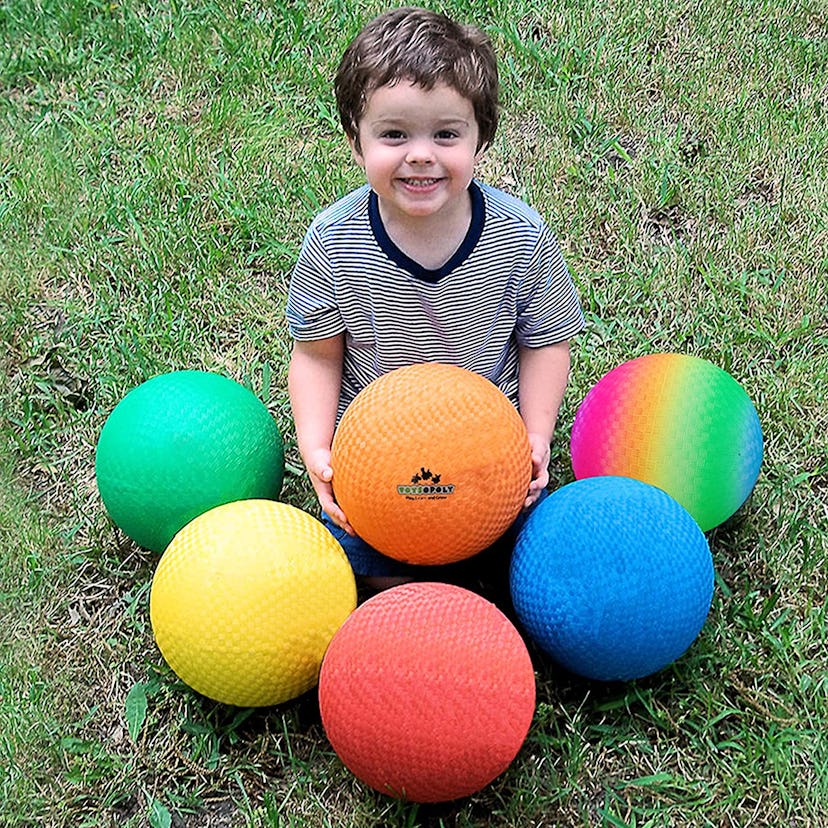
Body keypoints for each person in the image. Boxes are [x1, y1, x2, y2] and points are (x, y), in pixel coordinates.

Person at [286, 6, 585, 590]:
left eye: (446, 134)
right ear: (356, 140)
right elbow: (316, 354)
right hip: (378, 462)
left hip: (483, 454)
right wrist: (318, 447)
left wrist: (535, 434)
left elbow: (546, 344)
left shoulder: (518, 237)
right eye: (394, 134)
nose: (420, 154)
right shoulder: (333, 240)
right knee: (366, 583)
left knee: (523, 577)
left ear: (481, 139)